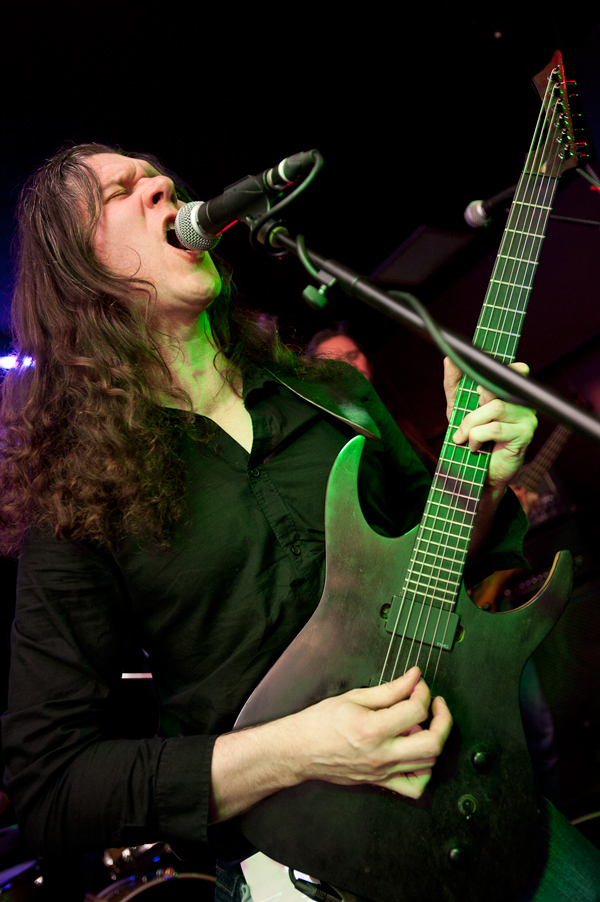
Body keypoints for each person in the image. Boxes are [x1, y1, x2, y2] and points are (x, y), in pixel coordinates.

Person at [0, 143, 597, 902]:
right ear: (77, 273)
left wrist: (488, 474)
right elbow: (52, 783)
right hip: (300, 869)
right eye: (120, 192)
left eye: (158, 178)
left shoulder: (329, 391)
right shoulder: (76, 494)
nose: (159, 186)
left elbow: (443, 561)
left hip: (476, 799)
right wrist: (300, 749)